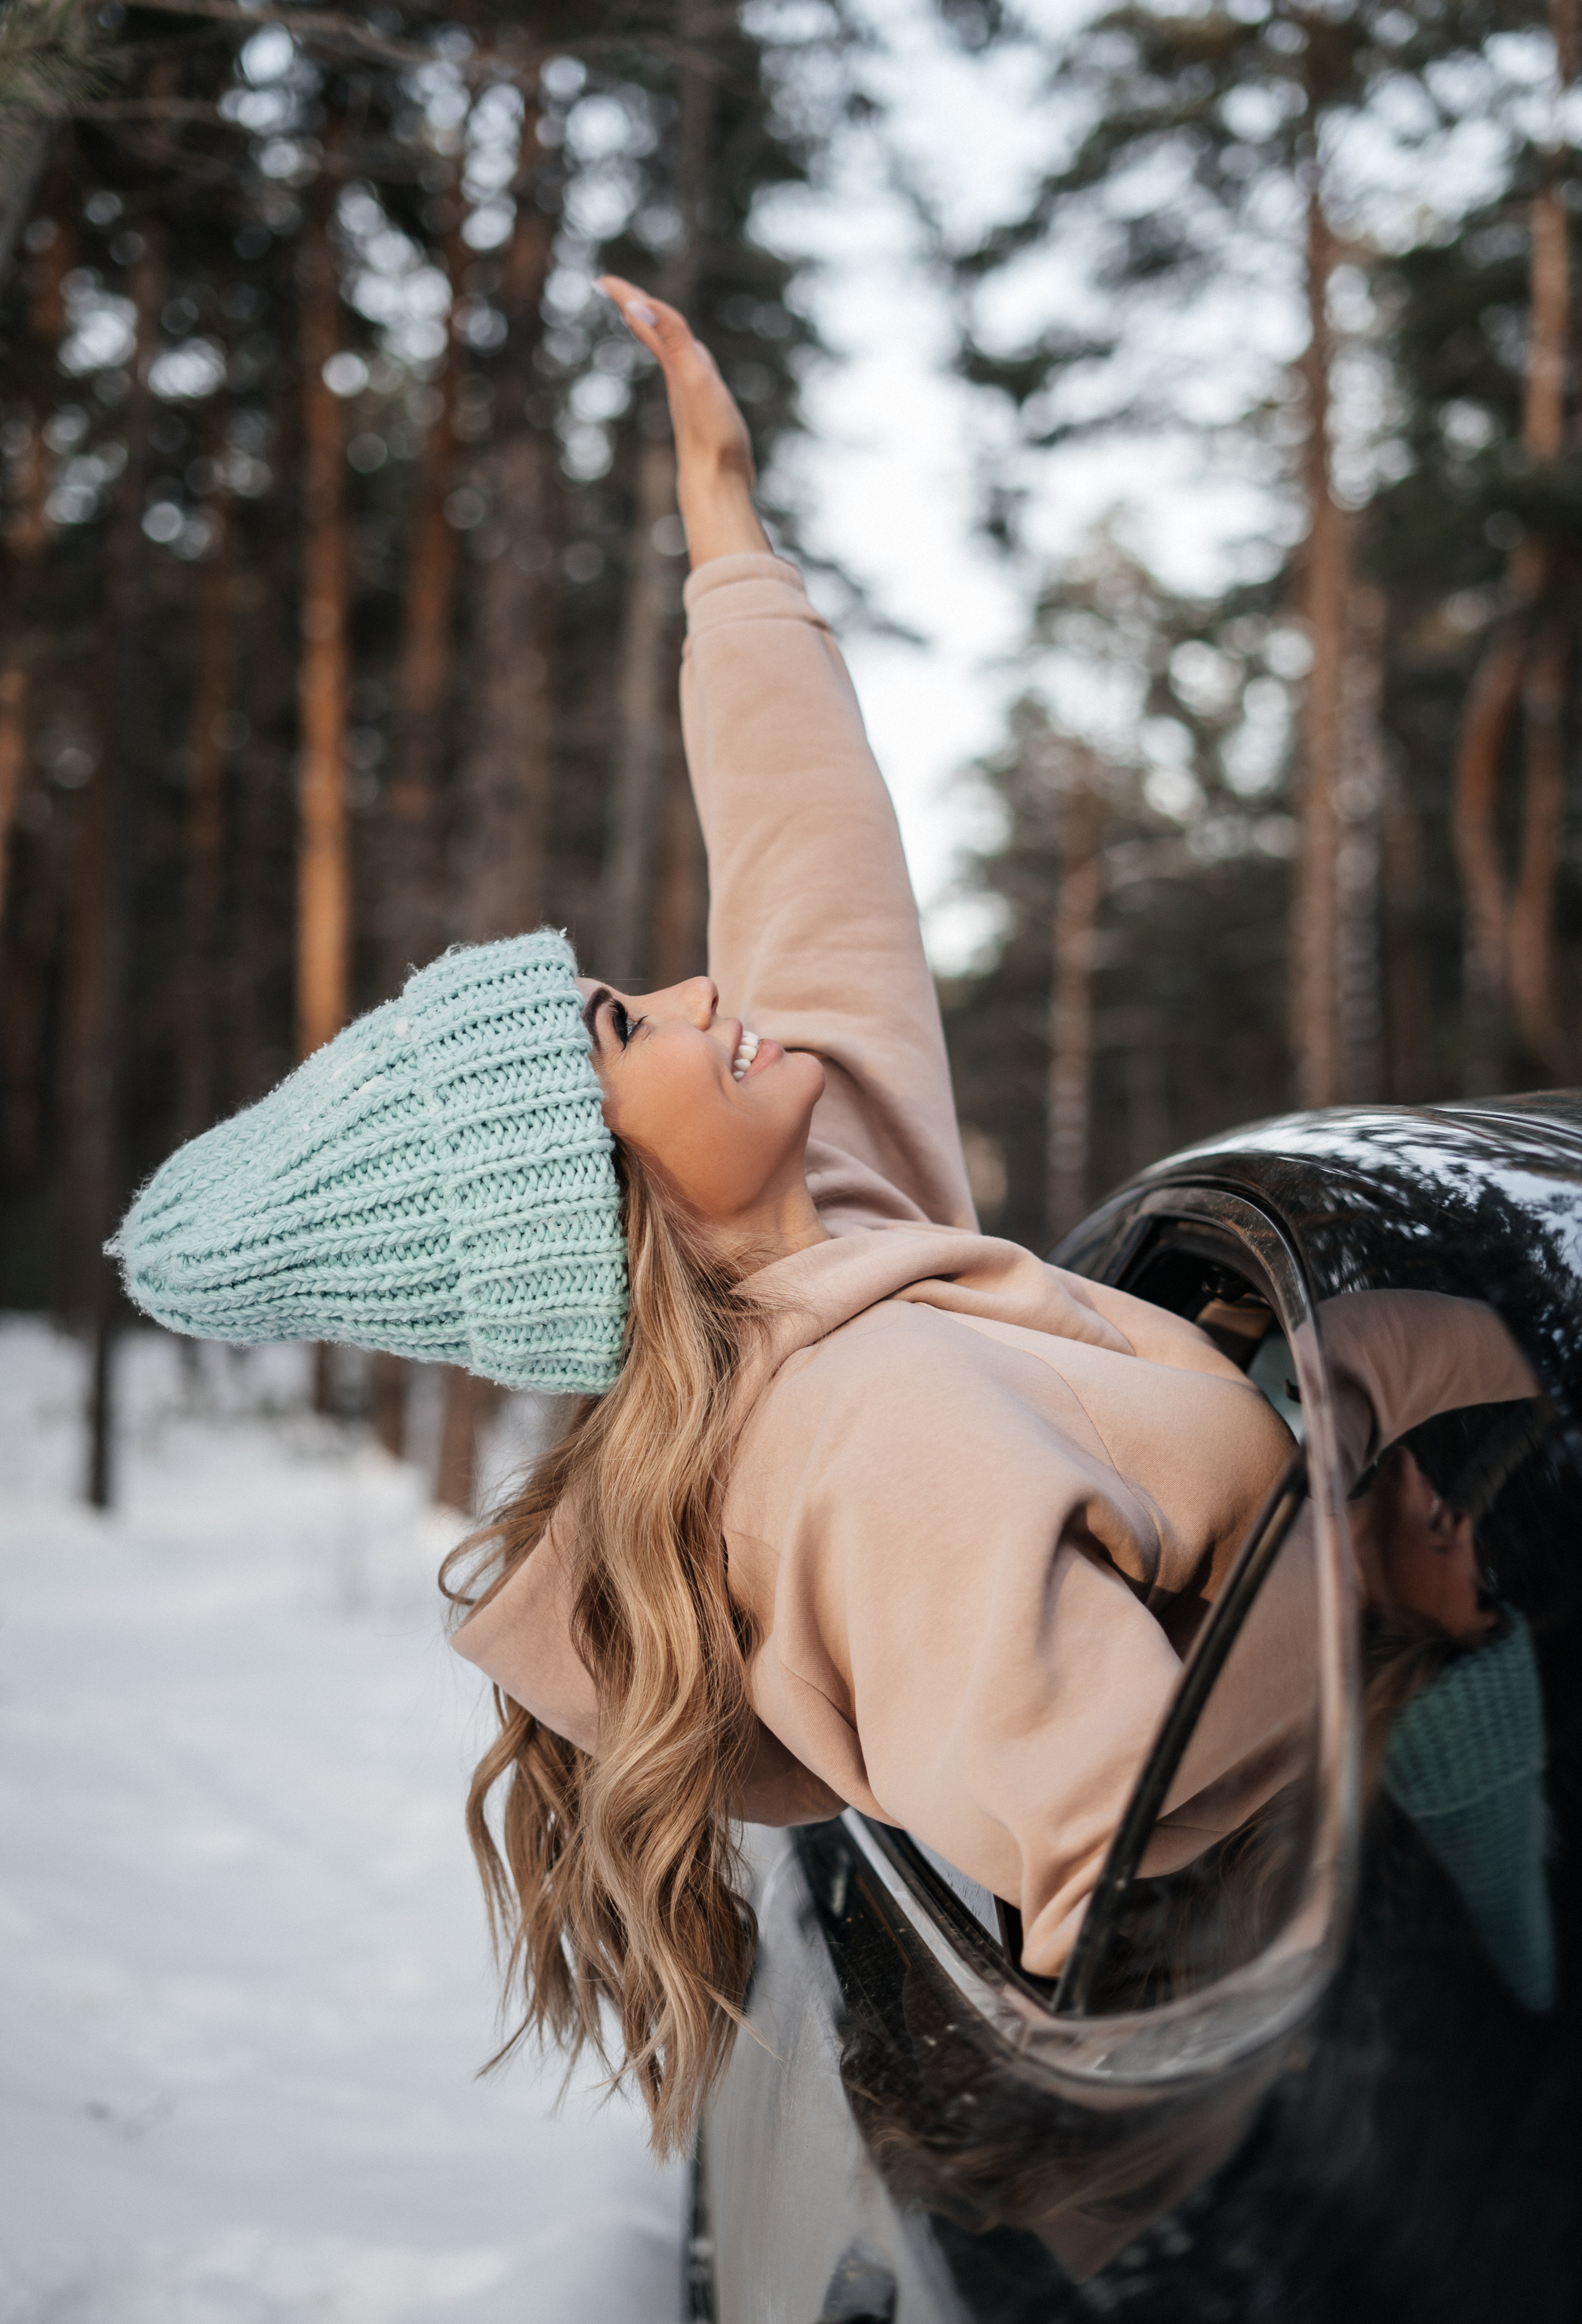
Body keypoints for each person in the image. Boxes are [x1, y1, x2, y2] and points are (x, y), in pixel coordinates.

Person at [111, 280, 1540, 2158]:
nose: (699, 993)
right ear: (603, 1198)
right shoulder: (871, 1440)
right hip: (1469, 1906)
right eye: (630, 1028)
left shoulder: (841, 1240)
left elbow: (810, 853)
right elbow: (1122, 1859)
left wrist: (724, 522)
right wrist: (1397, 1610)